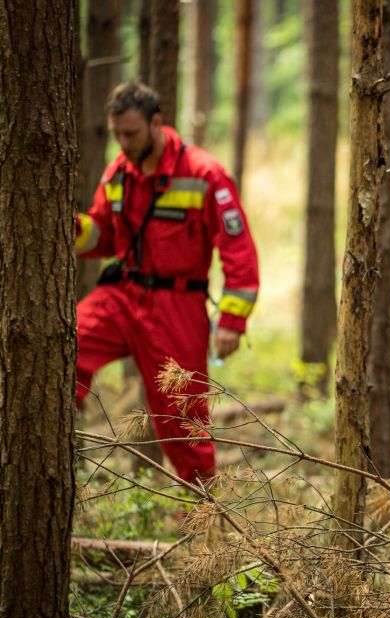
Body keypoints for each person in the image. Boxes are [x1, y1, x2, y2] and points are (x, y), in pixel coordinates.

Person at [74, 82, 259, 483]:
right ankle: (48, 451)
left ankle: (204, 515)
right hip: (122, 296)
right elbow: (103, 235)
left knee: (183, 418)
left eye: (132, 134)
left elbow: (238, 250)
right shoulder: (117, 173)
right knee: (65, 343)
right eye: (117, 134)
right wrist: (71, 228)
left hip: (178, 306)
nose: (123, 143)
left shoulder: (204, 174)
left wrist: (232, 319)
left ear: (156, 123)